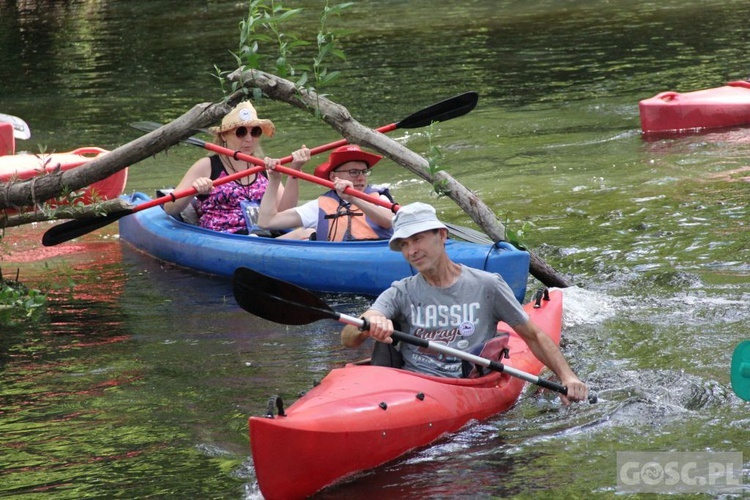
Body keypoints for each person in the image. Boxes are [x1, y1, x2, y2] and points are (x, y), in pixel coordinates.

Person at [341, 202, 589, 404]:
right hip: (410, 389)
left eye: (417, 239)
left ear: (442, 235)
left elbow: (533, 335)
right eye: (404, 244)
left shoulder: (487, 285)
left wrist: (567, 378)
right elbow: (348, 338)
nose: (411, 251)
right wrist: (368, 323)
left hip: (464, 386)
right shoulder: (401, 291)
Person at [163, 101, 309, 234]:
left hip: (263, 236)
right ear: (224, 136)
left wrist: (294, 171)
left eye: (255, 132)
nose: (249, 139)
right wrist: (193, 191)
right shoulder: (207, 165)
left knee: (307, 233)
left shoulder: (264, 167)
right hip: (224, 238)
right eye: (241, 132)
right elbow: (170, 208)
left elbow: (285, 212)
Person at [257, 145, 394, 241]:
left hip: (376, 255)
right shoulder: (319, 206)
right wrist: (275, 180)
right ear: (334, 177)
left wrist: (354, 199)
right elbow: (266, 222)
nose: (361, 177)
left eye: (364, 172)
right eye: (353, 172)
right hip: (336, 261)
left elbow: (388, 222)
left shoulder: (379, 197)